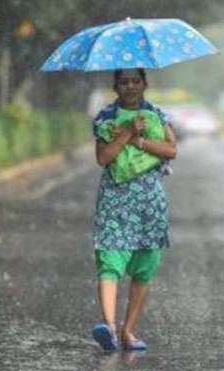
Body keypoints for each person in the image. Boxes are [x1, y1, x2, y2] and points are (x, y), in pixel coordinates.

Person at [91, 68, 177, 352]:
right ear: (115, 86)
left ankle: (128, 331)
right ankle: (110, 328)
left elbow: (170, 150)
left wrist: (139, 140)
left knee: (144, 266)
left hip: (149, 201)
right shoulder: (105, 118)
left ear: (145, 84)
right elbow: (103, 158)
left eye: (135, 82)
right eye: (124, 82)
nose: (130, 87)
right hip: (115, 199)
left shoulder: (156, 115)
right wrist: (125, 134)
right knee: (110, 259)